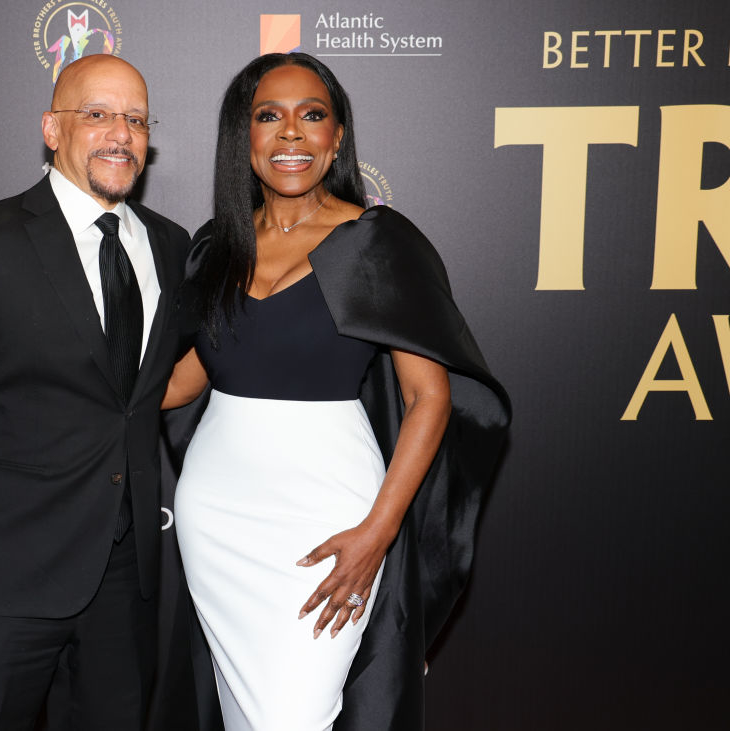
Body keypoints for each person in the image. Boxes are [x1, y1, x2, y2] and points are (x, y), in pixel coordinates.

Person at [162, 53, 510, 730]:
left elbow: (428, 399)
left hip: (328, 515)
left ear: (338, 136)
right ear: (245, 135)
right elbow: (184, 382)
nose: (291, 133)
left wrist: (376, 535)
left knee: (293, 712)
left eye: (311, 115)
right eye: (270, 116)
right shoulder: (216, 247)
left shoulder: (378, 242)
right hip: (217, 517)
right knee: (245, 714)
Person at [0, 54, 191, 730]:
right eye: (99, 114)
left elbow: (161, 385)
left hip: (124, 585)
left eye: (137, 120)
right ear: (52, 129)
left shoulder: (171, 247)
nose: (122, 134)